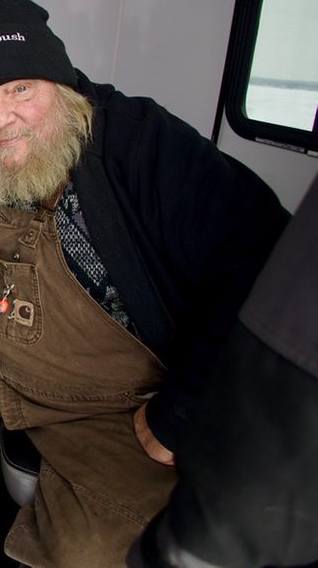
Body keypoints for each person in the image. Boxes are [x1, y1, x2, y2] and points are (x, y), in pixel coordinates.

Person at [0, 0, 289, 567]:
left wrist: (179, 413)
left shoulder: (141, 143)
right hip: (0, 367)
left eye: (21, 90)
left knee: (98, 551)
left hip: (120, 403)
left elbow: (258, 271)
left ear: (63, 88)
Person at [128, 174, 318, 568]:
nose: (0, 117)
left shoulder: (137, 146)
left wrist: (174, 415)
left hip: (139, 401)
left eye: (21, 104)